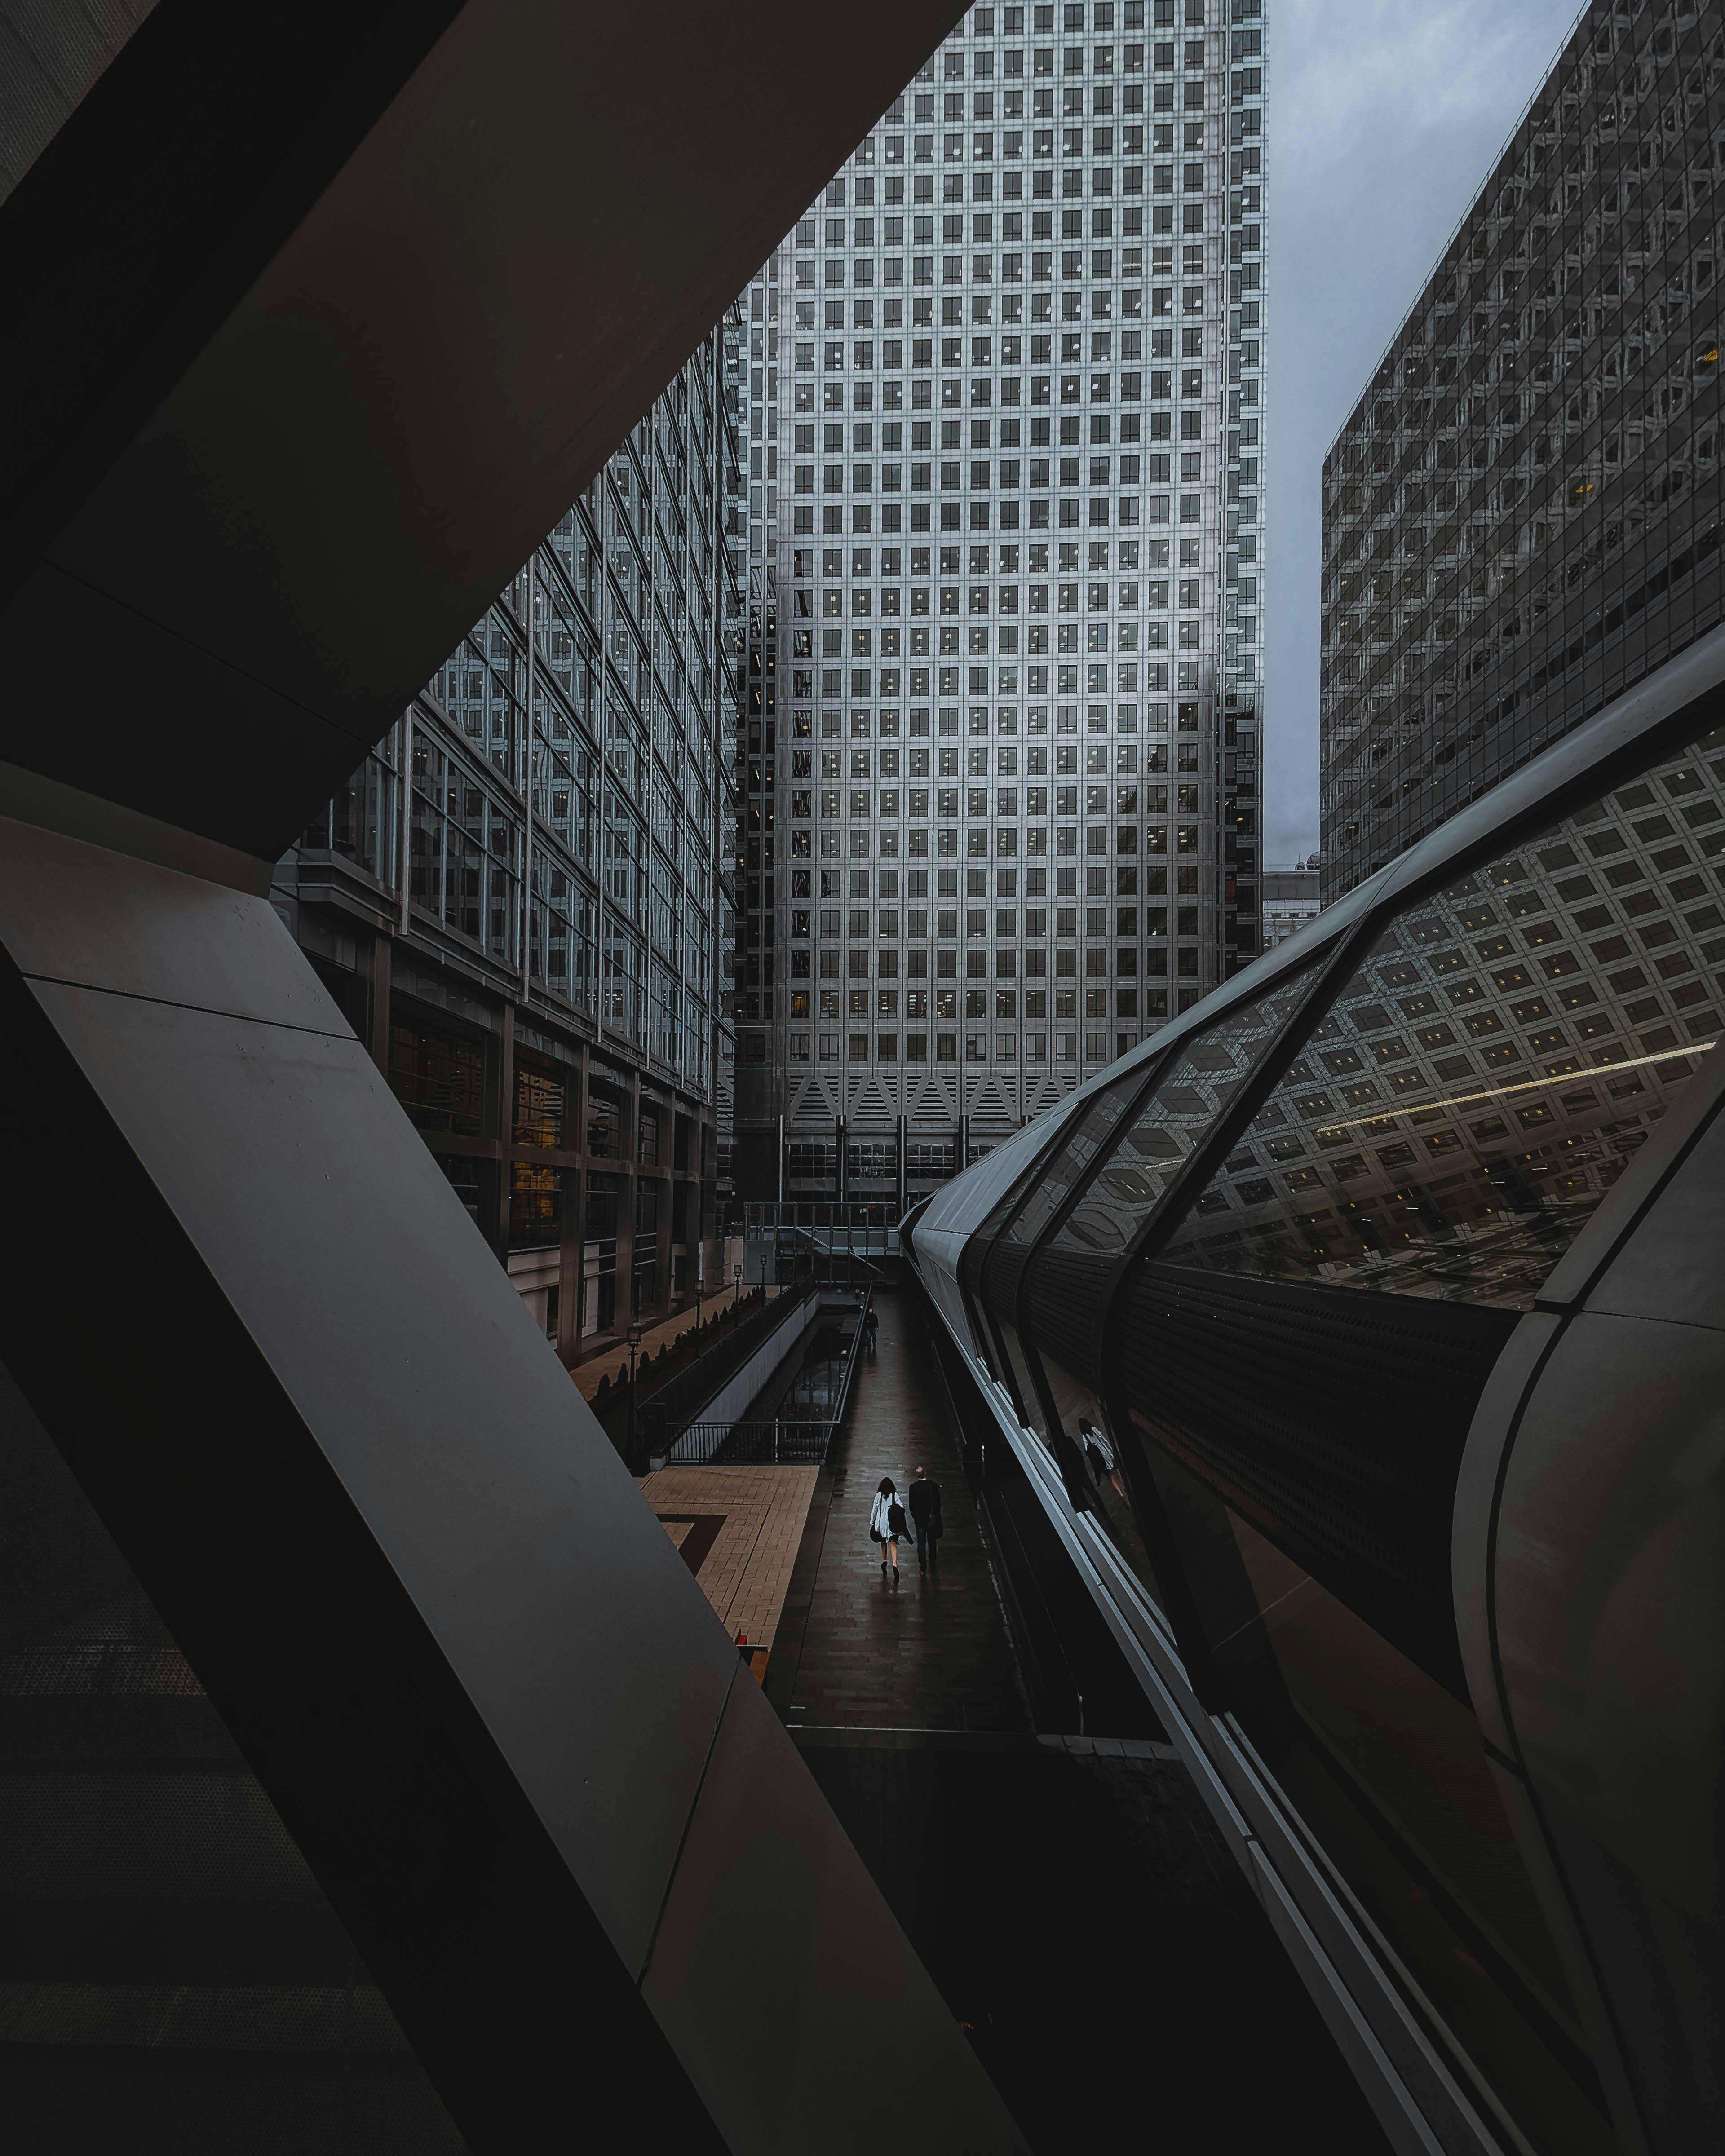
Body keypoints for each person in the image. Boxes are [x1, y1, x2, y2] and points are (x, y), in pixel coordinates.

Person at [870, 1475, 911, 1583]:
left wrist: (872, 1521)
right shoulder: (895, 1496)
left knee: (883, 1542)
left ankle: (884, 1560)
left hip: (881, 1525)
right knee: (893, 1544)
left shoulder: (878, 1496)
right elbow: (902, 1509)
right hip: (892, 1526)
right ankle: (895, 1565)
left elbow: (874, 1510)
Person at [907, 1464, 942, 1574]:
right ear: (925, 1474)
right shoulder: (933, 1486)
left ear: (916, 1476)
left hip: (920, 1519)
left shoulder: (913, 1488)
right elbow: (938, 1503)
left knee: (921, 1543)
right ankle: (933, 1560)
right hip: (931, 1519)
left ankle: (923, 1567)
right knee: (932, 1541)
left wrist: (915, 1516)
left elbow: (911, 1505)